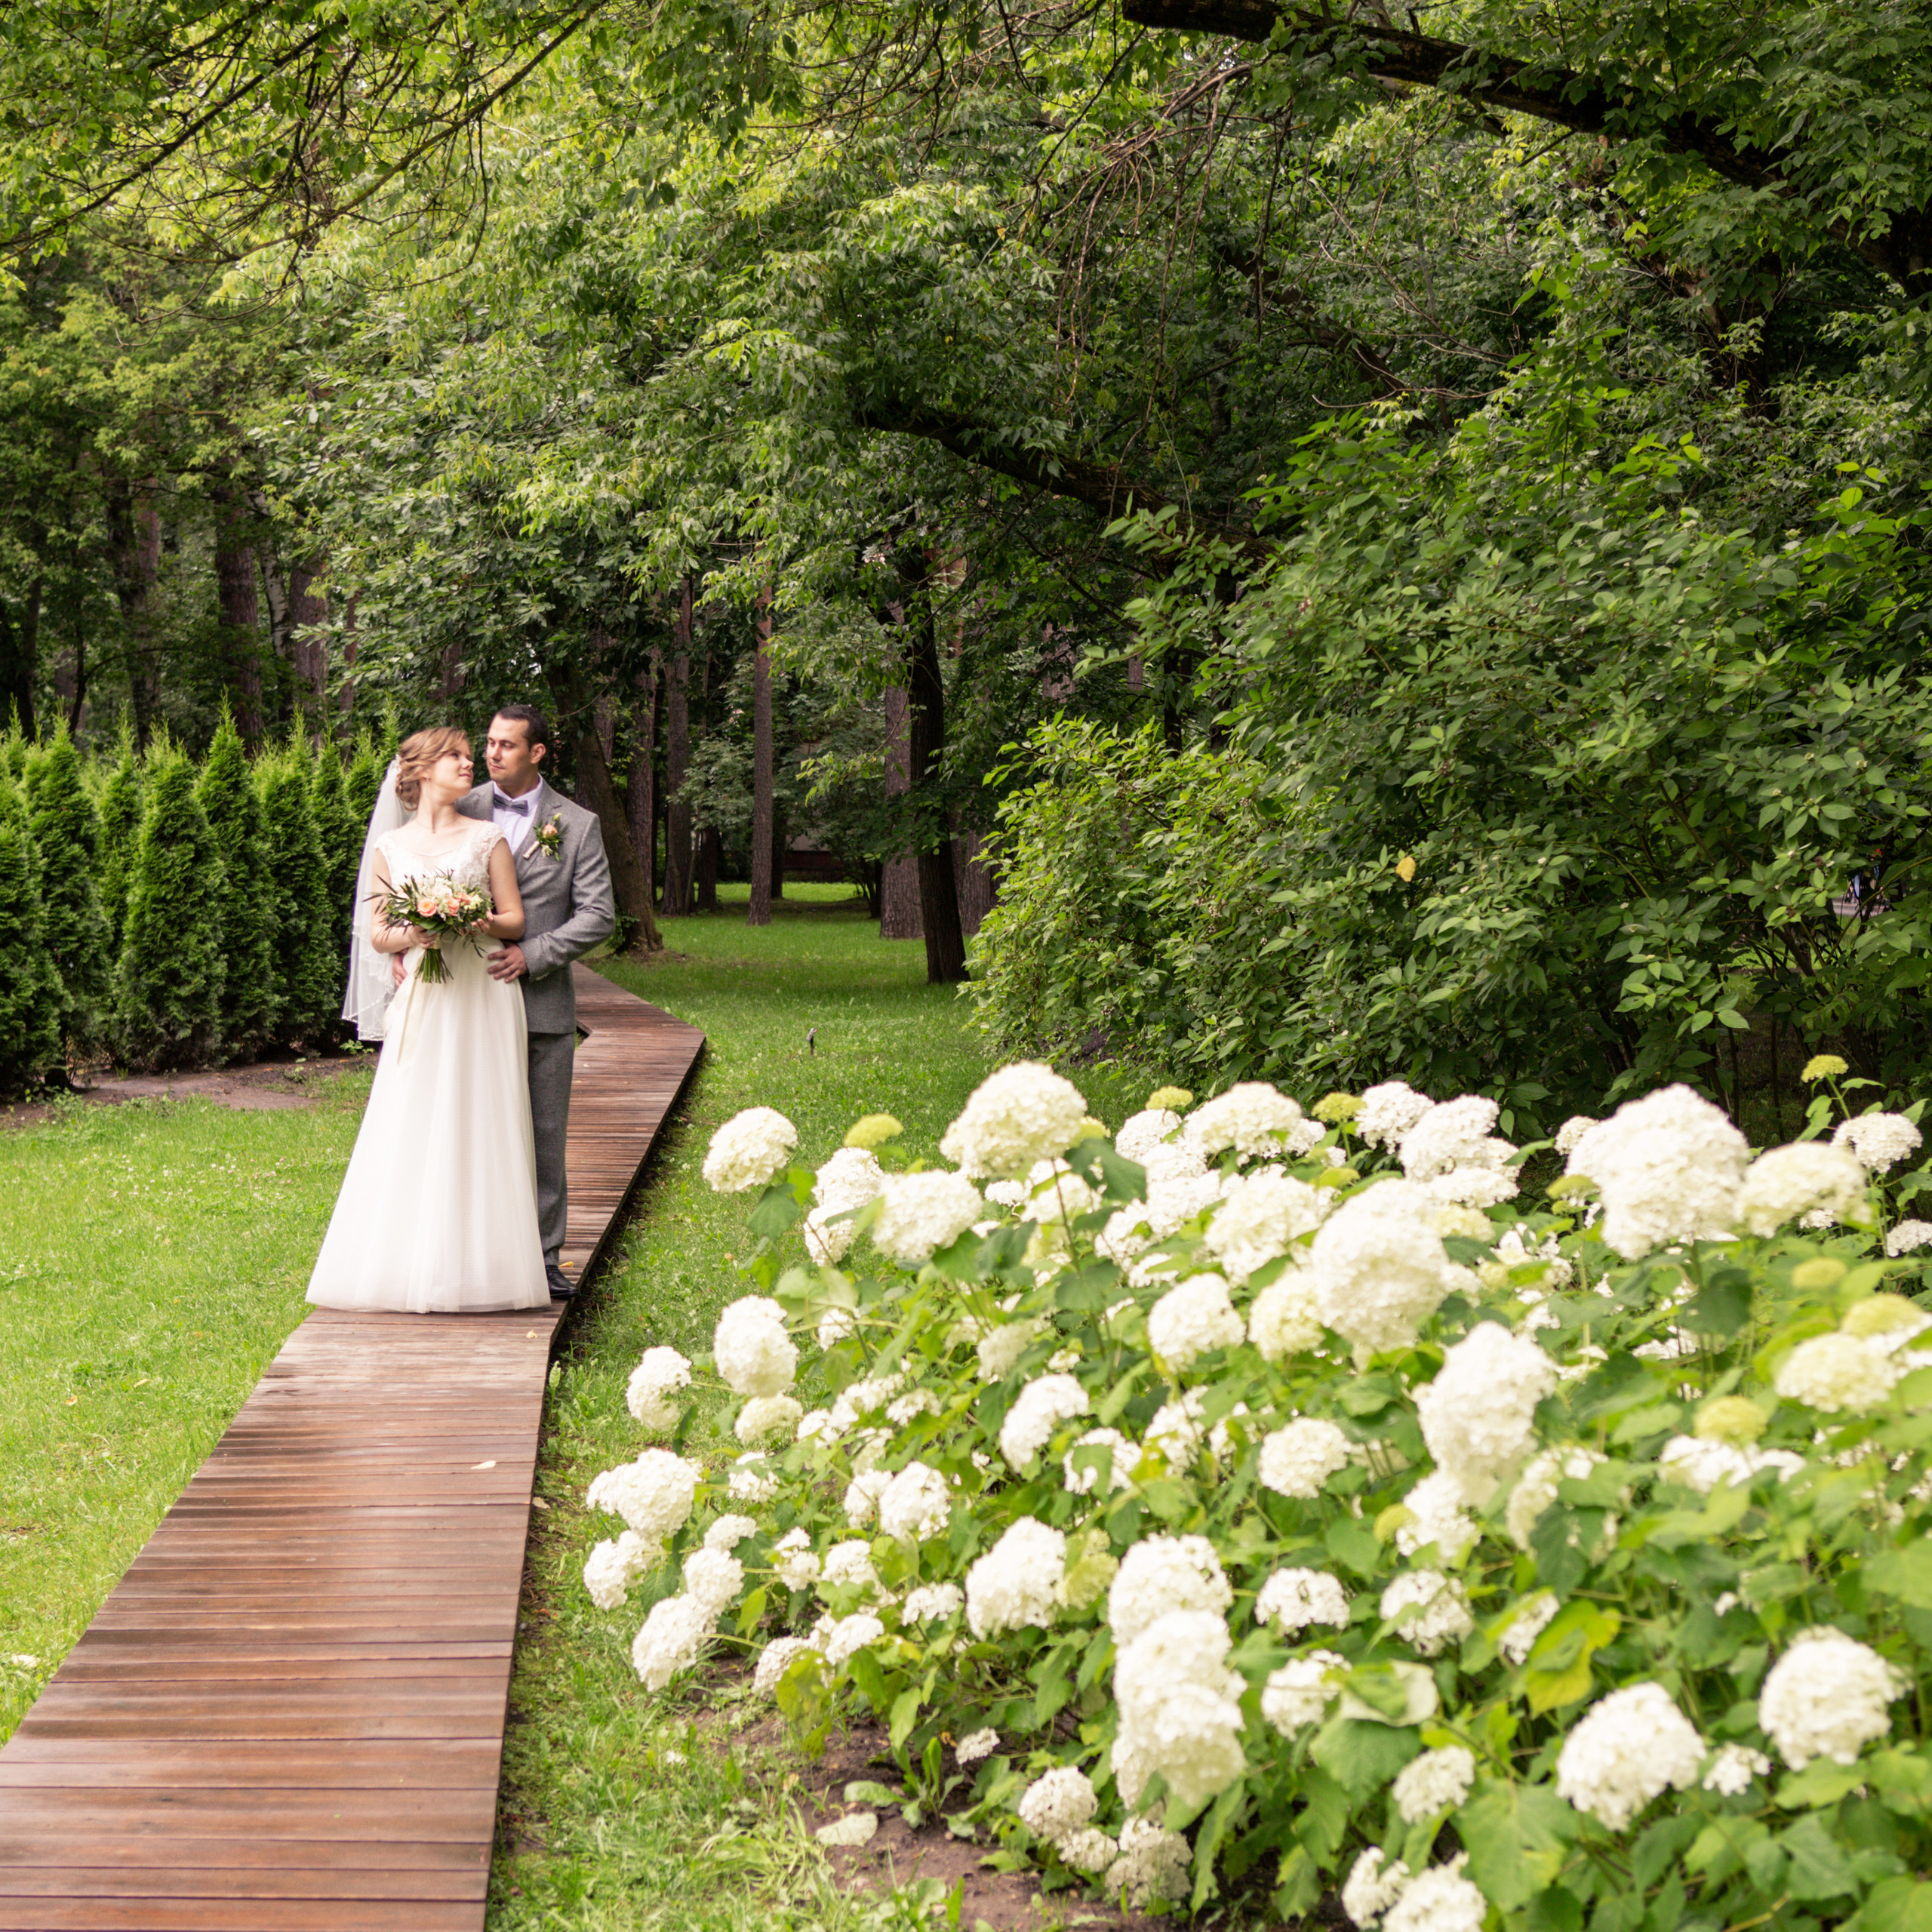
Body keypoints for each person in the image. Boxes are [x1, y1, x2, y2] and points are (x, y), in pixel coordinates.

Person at [309, 727, 551, 1314]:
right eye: (457, 758)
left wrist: (474, 921)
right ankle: (407, 1263)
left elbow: (514, 919)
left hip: (484, 993)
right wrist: (420, 931)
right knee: (414, 1114)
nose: (470, 765)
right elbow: (377, 932)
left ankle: (486, 1270)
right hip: (426, 992)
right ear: (419, 772)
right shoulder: (390, 848)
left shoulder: (486, 838)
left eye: (471, 757)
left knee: (483, 1114)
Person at [455, 704, 617, 1299]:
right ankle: (474, 1252)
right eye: (490, 743)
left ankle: (547, 1257)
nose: (493, 754)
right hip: (471, 1004)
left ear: (538, 753)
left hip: (544, 1007)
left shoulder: (576, 824)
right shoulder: (462, 807)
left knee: (544, 1133)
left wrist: (536, 952)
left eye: (507, 746)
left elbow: (600, 915)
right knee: (473, 1130)